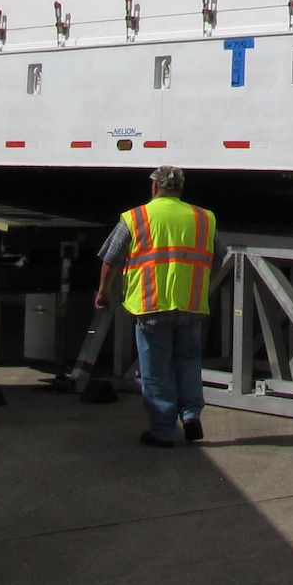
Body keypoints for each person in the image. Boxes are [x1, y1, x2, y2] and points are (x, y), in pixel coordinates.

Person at [95, 165, 219, 448]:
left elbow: (112, 258)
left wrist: (104, 291)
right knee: (188, 361)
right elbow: (217, 255)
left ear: (154, 187)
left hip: (151, 305)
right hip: (190, 303)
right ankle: (190, 414)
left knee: (156, 369)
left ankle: (163, 431)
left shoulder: (136, 217)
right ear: (180, 188)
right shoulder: (202, 218)